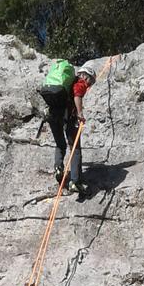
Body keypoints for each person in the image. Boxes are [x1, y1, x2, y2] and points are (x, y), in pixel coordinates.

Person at [41, 62, 97, 197]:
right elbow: (77, 95)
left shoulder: (64, 84)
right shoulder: (80, 82)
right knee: (75, 148)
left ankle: (58, 167)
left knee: (60, 144)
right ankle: (75, 182)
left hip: (52, 115)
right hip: (67, 117)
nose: (89, 85)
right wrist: (80, 113)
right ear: (86, 75)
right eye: (91, 81)